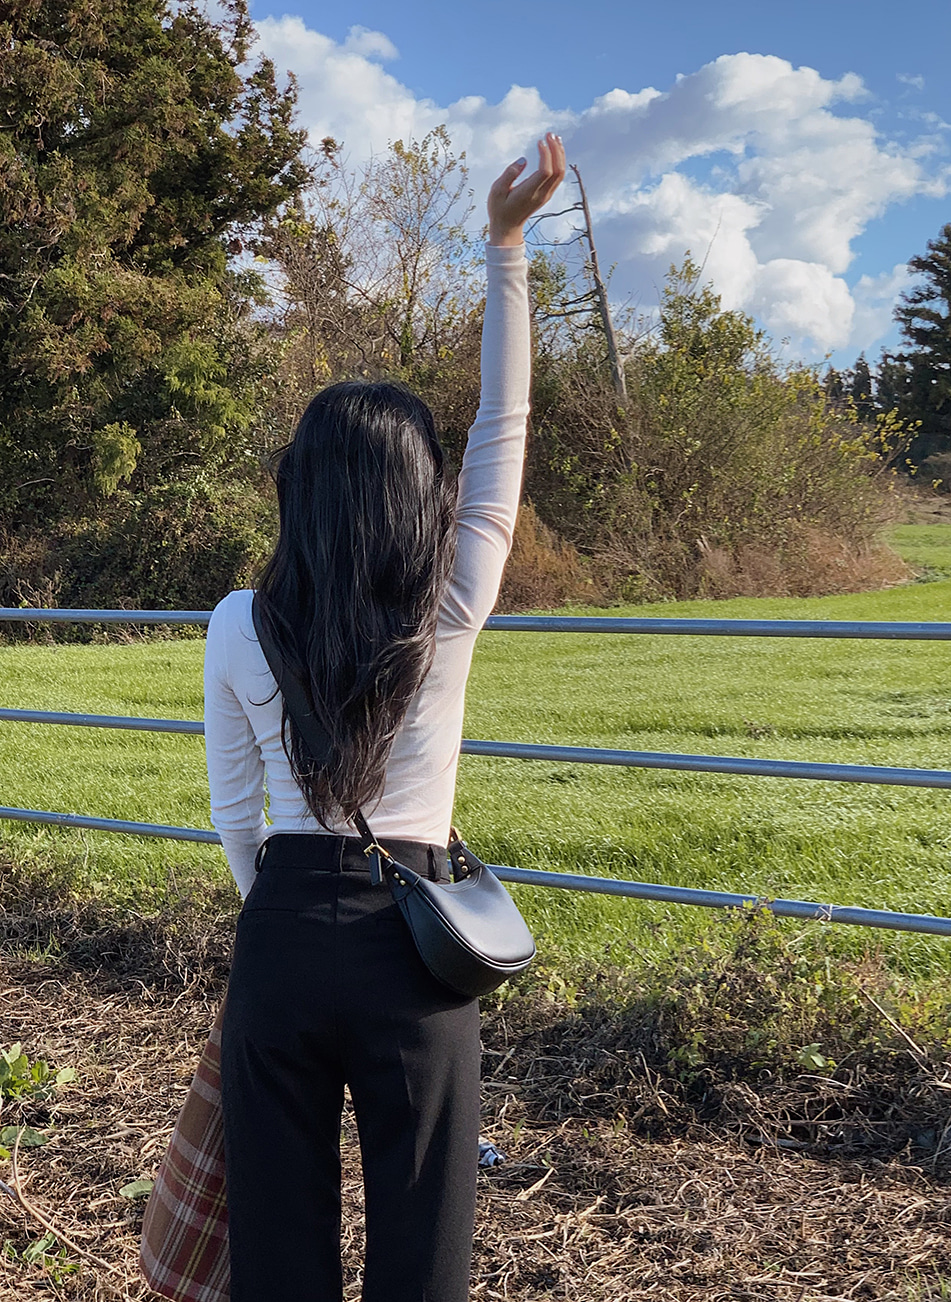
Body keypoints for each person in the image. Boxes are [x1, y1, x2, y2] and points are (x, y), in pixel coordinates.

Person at [202, 133, 566, 1302]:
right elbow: (504, 427)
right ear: (425, 495)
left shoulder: (238, 620)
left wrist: (287, 913)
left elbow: (235, 815)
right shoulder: (449, 603)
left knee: (276, 1241)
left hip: (282, 930)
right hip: (416, 936)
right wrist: (504, 246)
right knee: (422, 1238)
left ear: (297, 491)